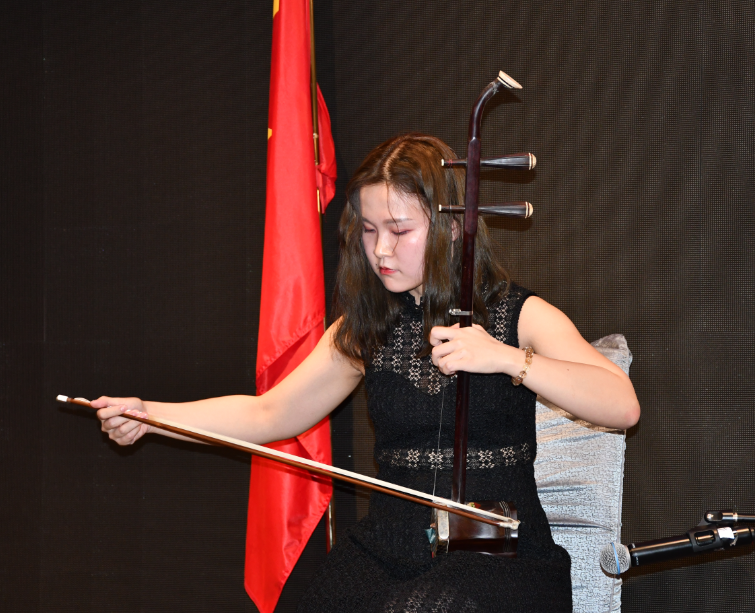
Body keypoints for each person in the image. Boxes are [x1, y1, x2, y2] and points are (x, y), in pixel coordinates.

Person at [95, 134, 640, 612]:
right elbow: (270, 412)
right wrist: (151, 416)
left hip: (499, 552)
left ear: (453, 227)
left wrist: (507, 359)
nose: (381, 249)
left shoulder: (517, 314)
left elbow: (621, 405)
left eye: (400, 230)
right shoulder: (366, 327)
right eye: (369, 229)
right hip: (390, 544)